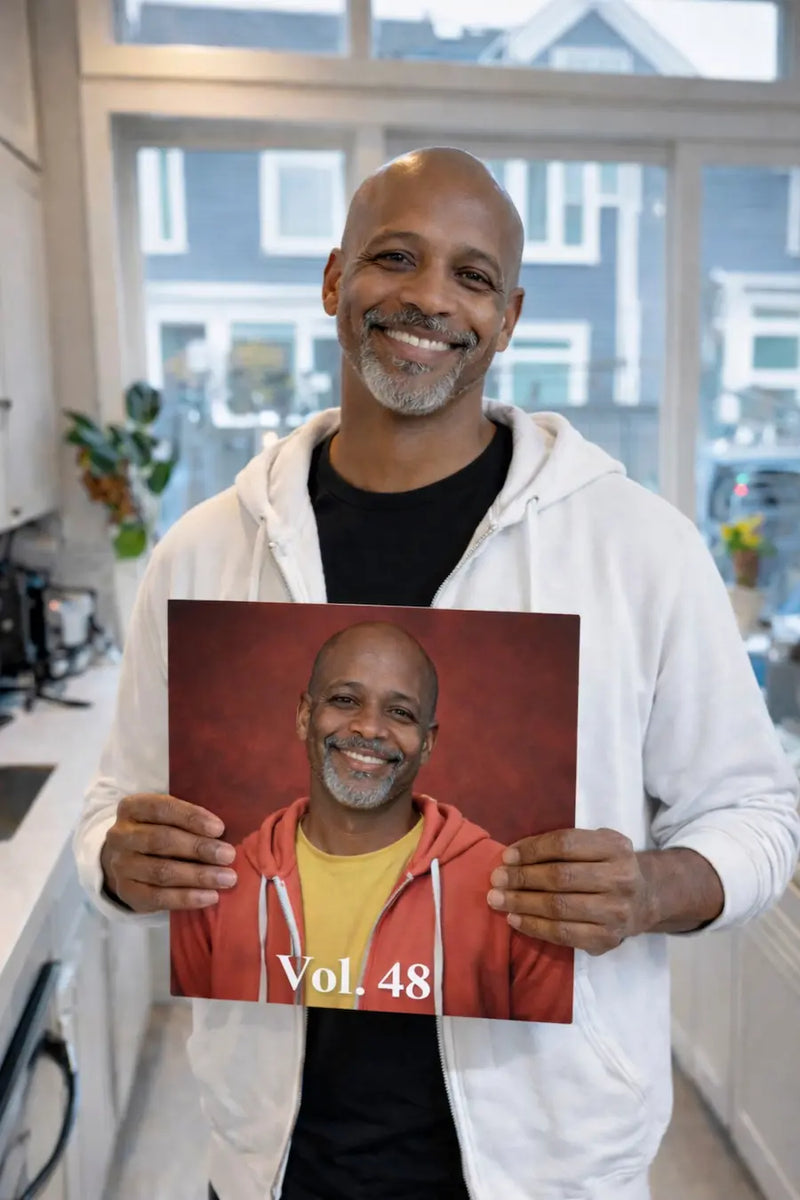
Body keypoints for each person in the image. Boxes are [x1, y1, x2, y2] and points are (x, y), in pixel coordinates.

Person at [76, 147, 800, 1200]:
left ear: (507, 316)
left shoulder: (634, 547)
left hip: (549, 1165)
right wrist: (118, 862)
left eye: (469, 276)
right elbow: (112, 809)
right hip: (273, 1159)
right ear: (332, 281)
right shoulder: (206, 549)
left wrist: (652, 888)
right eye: (394, 258)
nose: (426, 298)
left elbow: (757, 814)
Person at [170, 619, 573, 1022]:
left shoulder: (511, 893)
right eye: (345, 700)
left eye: (399, 712)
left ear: (428, 743)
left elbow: (536, 1068)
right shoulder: (217, 890)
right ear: (304, 715)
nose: (370, 728)